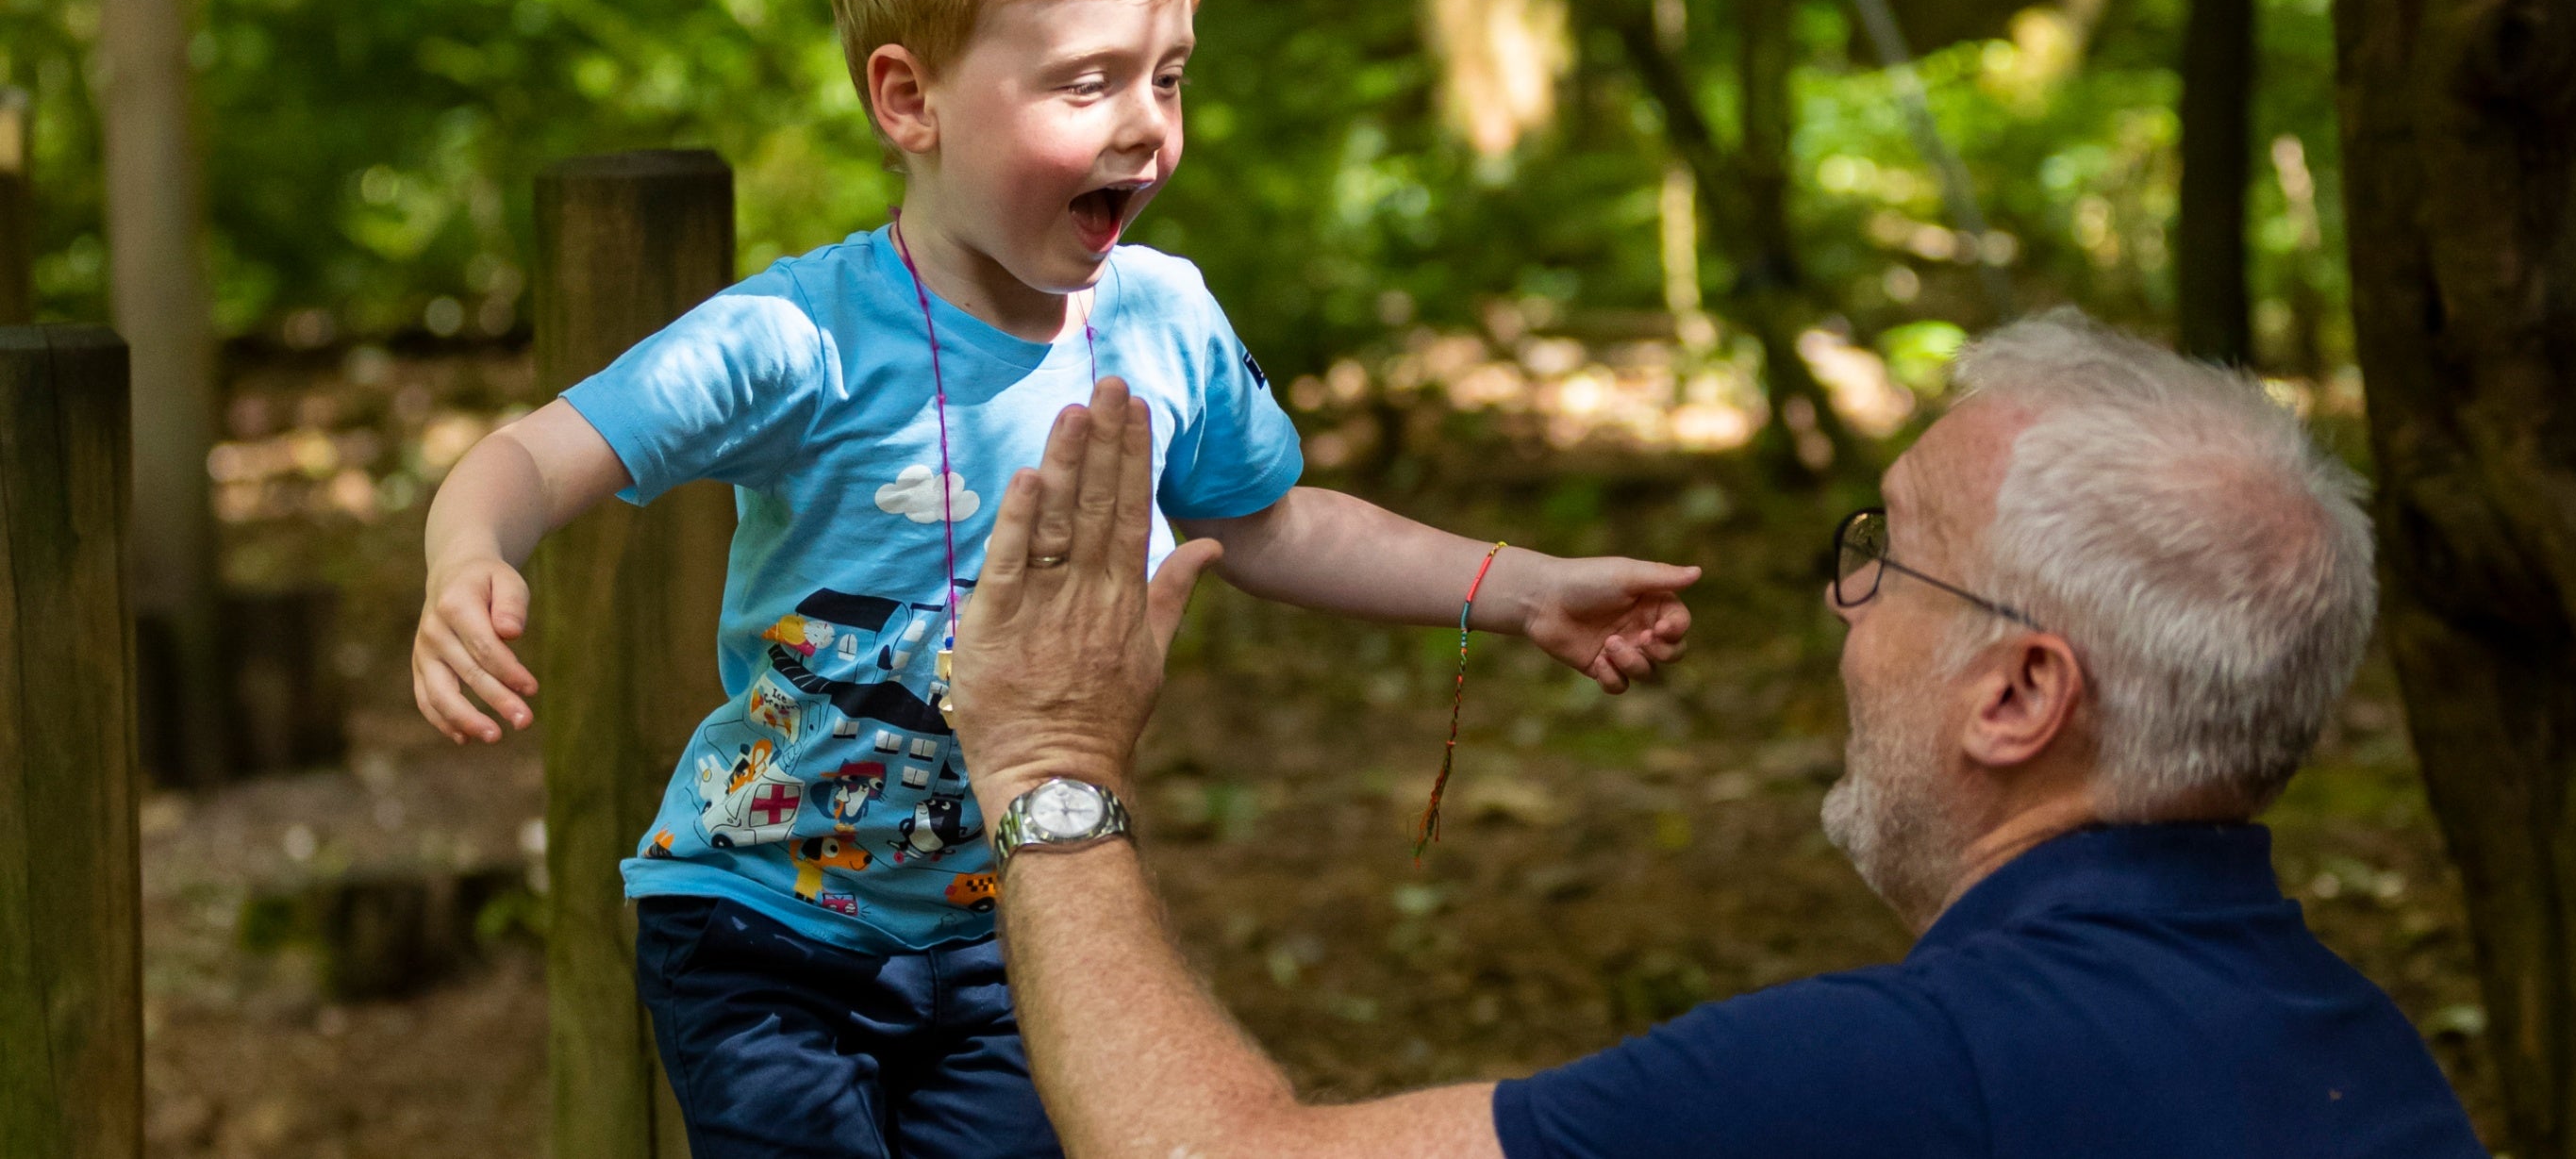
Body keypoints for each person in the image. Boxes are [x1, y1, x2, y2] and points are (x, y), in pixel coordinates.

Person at [405, 0, 1702, 1159]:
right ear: (909, 100)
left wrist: (1517, 588)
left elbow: (1270, 522)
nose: (1145, 125)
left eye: (1170, 78)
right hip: (765, 927)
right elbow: (523, 458)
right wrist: (469, 558)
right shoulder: (799, 338)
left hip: (1023, 924)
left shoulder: (1163, 324)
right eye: (1088, 85)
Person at [949, 311, 2493, 1159]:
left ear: (2019, 696)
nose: (1841, 602)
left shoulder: (1902, 1078)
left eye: (1883, 554)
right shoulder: (2358, 1049)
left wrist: (1048, 766)